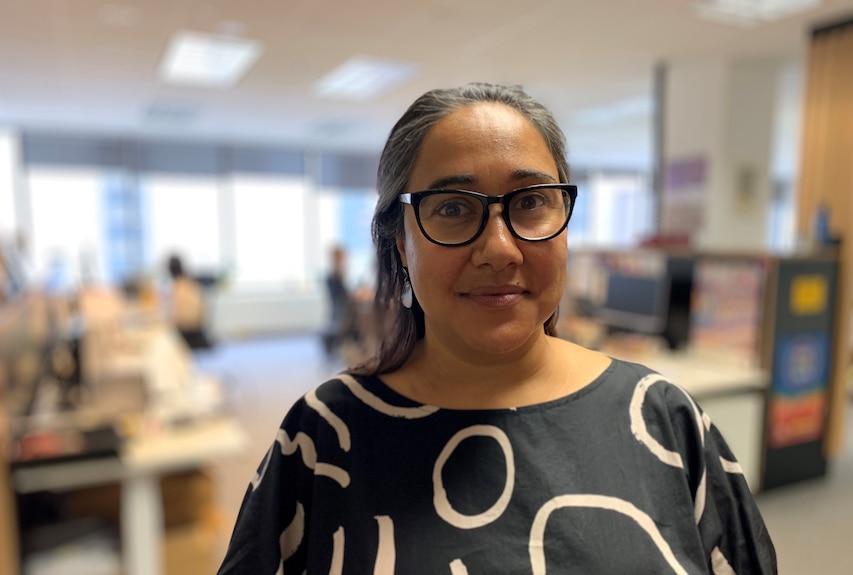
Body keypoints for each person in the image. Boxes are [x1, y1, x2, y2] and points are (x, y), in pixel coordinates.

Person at [217, 83, 777, 573]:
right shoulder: (322, 436)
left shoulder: (664, 419)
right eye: (454, 208)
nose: (500, 249)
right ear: (401, 243)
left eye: (531, 202)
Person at [165, 253, 209, 350]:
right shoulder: (192, 282)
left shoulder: (178, 286)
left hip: (187, 331)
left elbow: (176, 316)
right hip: (199, 327)